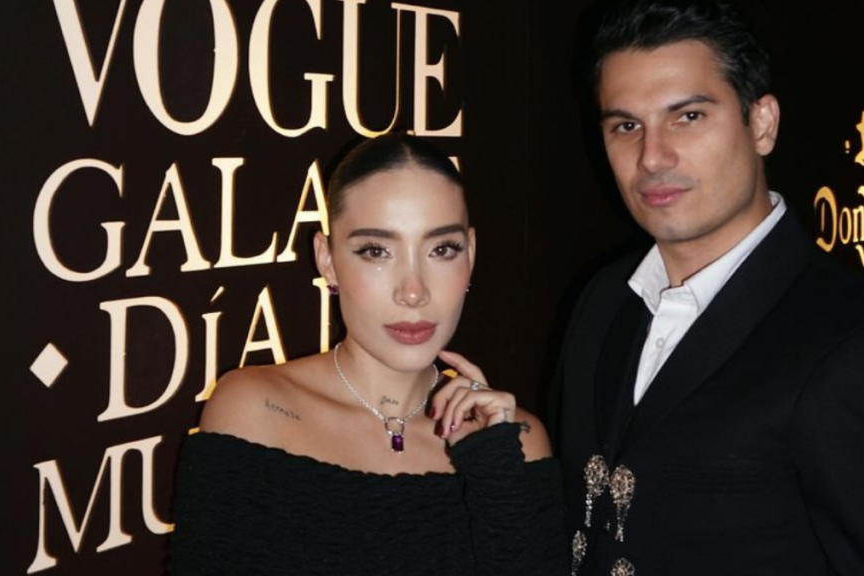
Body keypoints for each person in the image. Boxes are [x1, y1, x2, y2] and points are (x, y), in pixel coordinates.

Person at [550, 1, 864, 574]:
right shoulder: (604, 301)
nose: (652, 157)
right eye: (627, 126)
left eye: (688, 116)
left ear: (762, 124)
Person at [169, 133, 566, 575]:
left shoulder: (515, 442)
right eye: (376, 251)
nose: (413, 291)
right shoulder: (255, 412)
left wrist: (493, 470)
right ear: (327, 260)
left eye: (441, 249)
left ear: (470, 254)